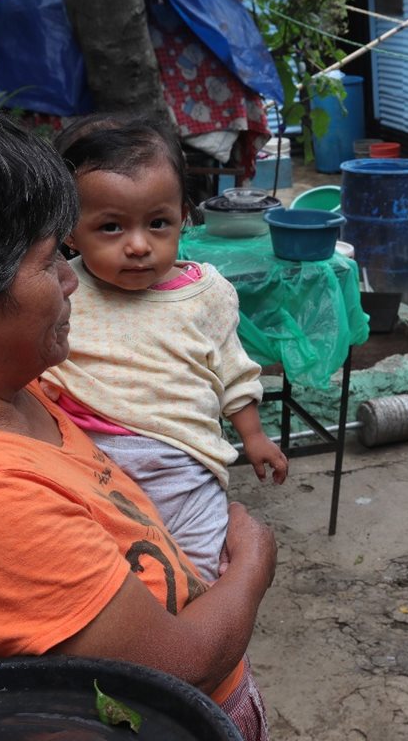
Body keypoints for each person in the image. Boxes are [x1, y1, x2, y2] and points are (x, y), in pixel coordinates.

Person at [0, 101, 275, 739]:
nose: (72, 285)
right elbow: (173, 673)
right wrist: (252, 564)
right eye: (50, 262)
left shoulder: (7, 390)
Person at [40, 114, 288, 581]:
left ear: (183, 217)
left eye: (157, 223)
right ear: (71, 231)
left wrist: (254, 437)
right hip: (92, 464)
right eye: (111, 227)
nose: (138, 246)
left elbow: (233, 370)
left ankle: (207, 649)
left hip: (185, 465)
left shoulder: (206, 292)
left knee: (202, 576)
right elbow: (41, 362)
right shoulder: (63, 289)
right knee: (118, 580)